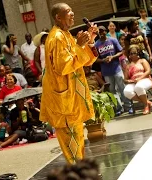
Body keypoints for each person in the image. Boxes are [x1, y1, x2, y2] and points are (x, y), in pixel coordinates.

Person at [40, 3, 98, 164]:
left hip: (72, 98)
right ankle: (77, 173)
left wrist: (90, 41)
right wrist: (79, 45)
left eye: (72, 10)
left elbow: (84, 61)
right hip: (63, 100)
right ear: (58, 17)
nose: (72, 13)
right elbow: (64, 66)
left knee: (78, 139)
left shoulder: (65, 34)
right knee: (72, 142)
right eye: (67, 12)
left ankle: (79, 172)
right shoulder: (57, 37)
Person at [95, 26, 132, 115]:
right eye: (99, 32)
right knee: (112, 90)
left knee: (122, 87)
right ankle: (119, 108)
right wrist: (103, 60)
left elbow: (121, 52)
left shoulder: (113, 40)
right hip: (106, 71)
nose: (101, 33)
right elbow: (95, 59)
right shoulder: (96, 44)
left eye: (102, 31)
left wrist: (113, 57)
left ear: (105, 31)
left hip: (116, 68)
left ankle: (129, 106)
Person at [123, 45, 152, 115]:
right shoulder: (128, 66)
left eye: (134, 53)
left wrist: (140, 78)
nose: (133, 55)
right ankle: (147, 102)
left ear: (138, 53)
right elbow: (125, 79)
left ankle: (146, 106)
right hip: (134, 82)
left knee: (139, 87)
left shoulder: (142, 61)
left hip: (145, 79)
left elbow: (148, 71)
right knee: (126, 91)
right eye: (131, 53)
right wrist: (128, 81)